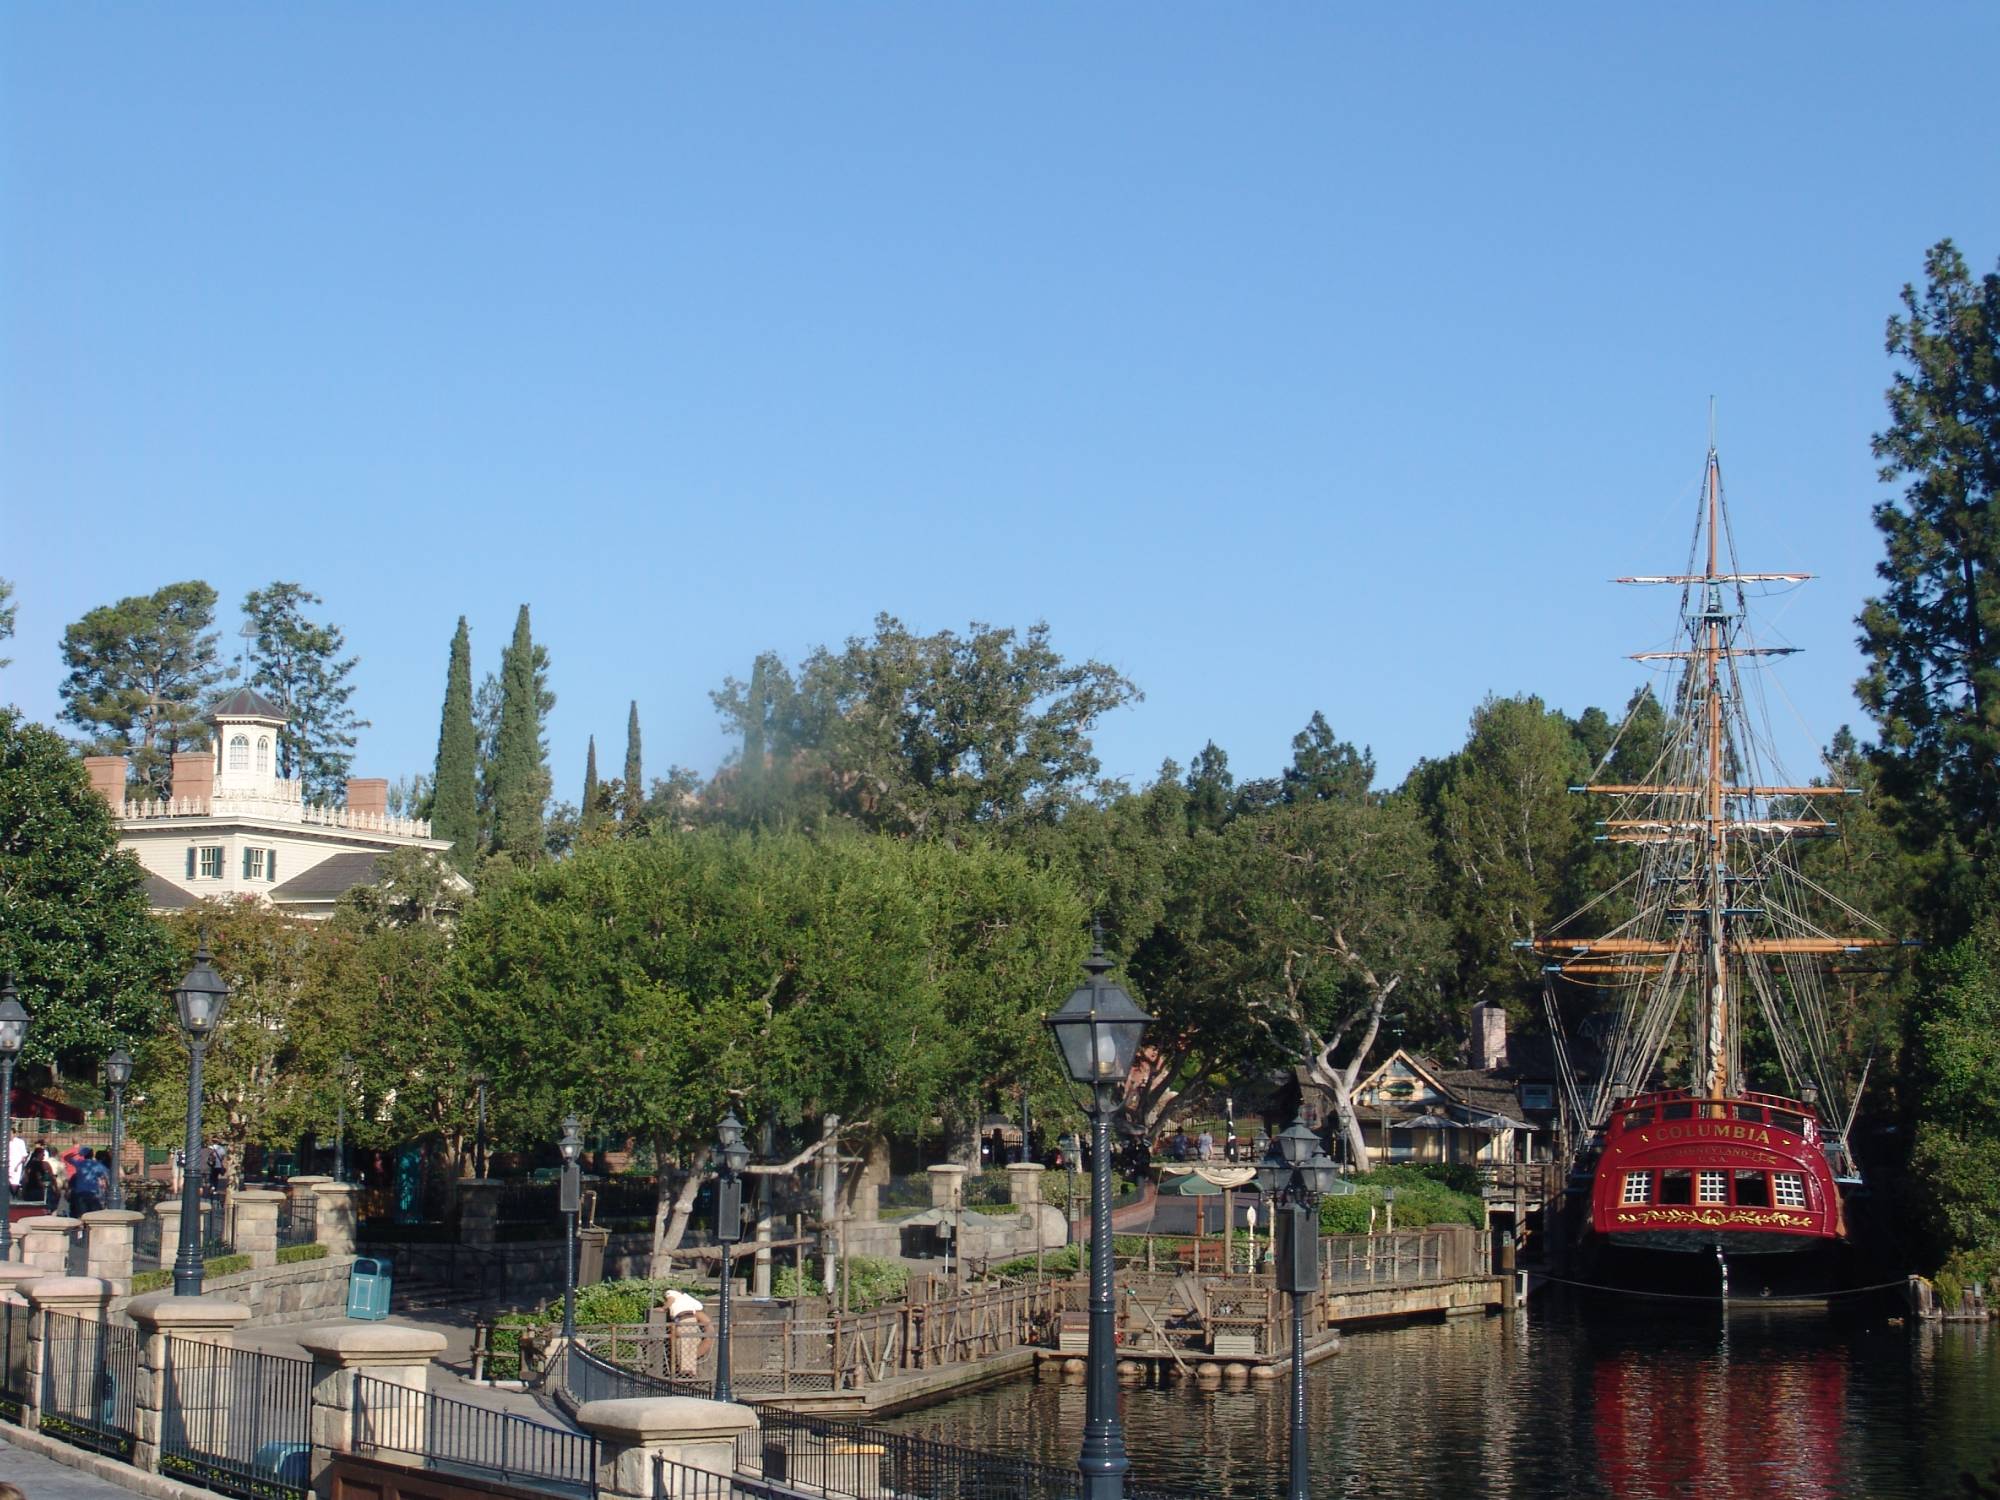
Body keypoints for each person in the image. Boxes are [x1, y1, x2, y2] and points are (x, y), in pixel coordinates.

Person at [663, 1288, 711, 1379]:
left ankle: (685, 1370)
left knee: (683, 1342)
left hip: (683, 1318)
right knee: (691, 1345)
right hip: (692, 1319)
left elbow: (670, 1300)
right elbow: (699, 1307)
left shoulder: (671, 1292)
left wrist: (663, 1308)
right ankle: (691, 1370)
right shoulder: (687, 1298)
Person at [71, 1147, 108, 1216]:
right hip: (93, 1192)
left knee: (82, 1215)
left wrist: (78, 1153)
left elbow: (66, 1157)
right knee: (93, 1215)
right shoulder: (97, 1165)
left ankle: (83, 1226)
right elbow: (106, 1176)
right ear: (92, 1154)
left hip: (80, 1192)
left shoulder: (79, 1163)